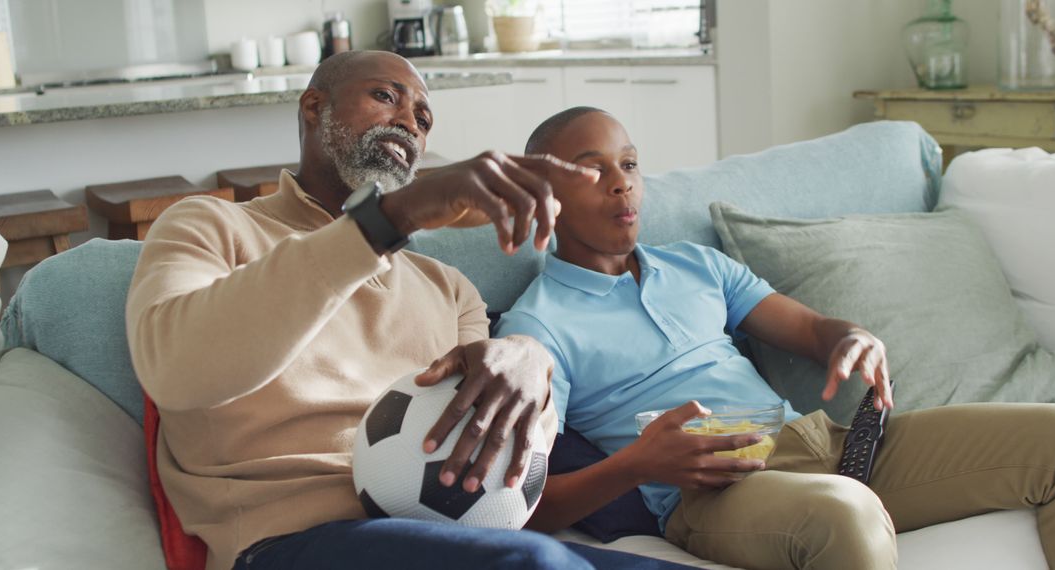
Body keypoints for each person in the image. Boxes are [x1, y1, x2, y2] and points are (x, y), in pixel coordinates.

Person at [126, 52, 692, 570]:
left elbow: (516, 464)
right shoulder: (211, 225)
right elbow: (176, 367)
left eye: (423, 118)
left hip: (448, 536)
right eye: (385, 96)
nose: (409, 122)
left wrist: (530, 363)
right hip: (294, 541)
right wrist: (391, 218)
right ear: (313, 108)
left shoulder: (446, 287)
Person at [495, 106, 1055, 570]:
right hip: (717, 494)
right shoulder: (537, 329)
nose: (623, 185)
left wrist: (852, 337)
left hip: (823, 441)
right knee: (845, 516)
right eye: (596, 170)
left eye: (630, 164)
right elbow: (515, 502)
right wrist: (637, 466)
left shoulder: (698, 265)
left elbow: (812, 330)